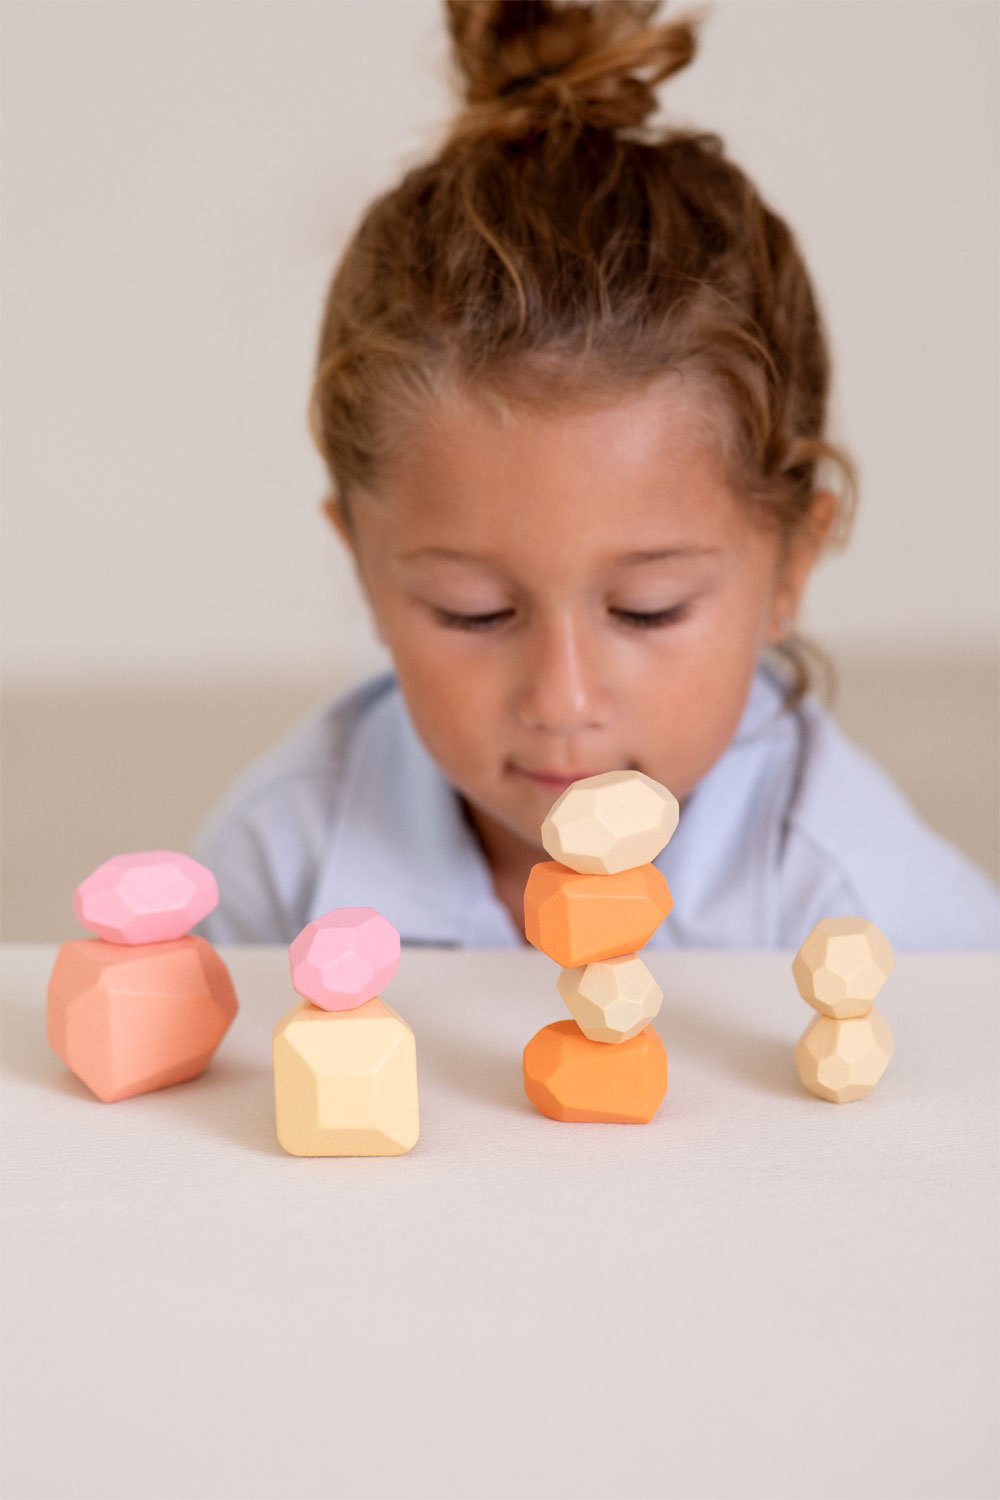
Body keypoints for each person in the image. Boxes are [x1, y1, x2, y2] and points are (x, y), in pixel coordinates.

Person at [191, 0, 999, 951]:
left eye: (648, 609)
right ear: (364, 567)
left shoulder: (871, 913)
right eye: (473, 611)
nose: (563, 701)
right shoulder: (276, 869)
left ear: (790, 565)